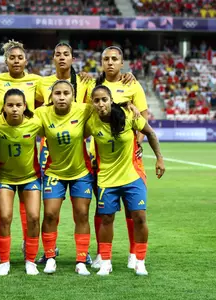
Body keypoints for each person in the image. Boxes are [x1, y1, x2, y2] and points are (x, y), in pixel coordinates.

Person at [34, 43, 136, 264]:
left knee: (84, 212)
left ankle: (86, 254)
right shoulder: (41, 83)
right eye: (58, 54)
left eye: (66, 54)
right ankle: (49, 253)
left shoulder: (87, 82)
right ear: (52, 58)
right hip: (51, 151)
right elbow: (28, 108)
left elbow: (103, 101)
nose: (62, 58)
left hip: (82, 153)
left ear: (72, 58)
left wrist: (128, 102)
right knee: (50, 212)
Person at [84, 85, 165, 276]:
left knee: (139, 217)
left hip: (132, 175)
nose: (101, 103)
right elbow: (75, 139)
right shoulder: (91, 123)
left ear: (111, 100)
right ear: (92, 104)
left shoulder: (129, 115)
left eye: (104, 99)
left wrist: (160, 158)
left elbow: (150, 133)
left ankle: (140, 260)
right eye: (96, 100)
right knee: (106, 219)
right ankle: (105, 262)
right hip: (106, 178)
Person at [91, 46, 150, 270]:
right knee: (103, 209)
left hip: (128, 158)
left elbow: (143, 117)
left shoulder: (131, 84)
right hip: (102, 158)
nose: (110, 62)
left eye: (115, 59)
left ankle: (135, 254)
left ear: (122, 63)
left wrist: (139, 145)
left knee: (133, 208)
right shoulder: (93, 86)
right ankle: (101, 254)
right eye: (106, 59)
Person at [0, 40, 43, 262]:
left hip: (27, 141)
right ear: (5, 60)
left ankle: (28, 245)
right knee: (1, 209)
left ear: (26, 60)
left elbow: (55, 97)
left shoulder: (36, 81)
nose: (16, 61)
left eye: (20, 58)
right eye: (12, 58)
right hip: (0, 141)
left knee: (30, 210)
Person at [35, 80, 95, 276]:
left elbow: (107, 104)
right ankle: (50, 257)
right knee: (50, 215)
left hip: (81, 173)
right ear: (51, 97)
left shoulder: (84, 109)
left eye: (66, 93)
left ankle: (81, 259)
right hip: (54, 172)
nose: (61, 97)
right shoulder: (42, 113)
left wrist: (129, 106)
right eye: (57, 93)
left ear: (73, 96)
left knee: (82, 214)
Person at [0, 89, 43, 276]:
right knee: (5, 217)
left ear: (24, 106)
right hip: (4, 177)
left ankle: (30, 261)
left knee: (34, 217)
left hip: (30, 177)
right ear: (3, 107)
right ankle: (4, 261)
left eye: (18, 105)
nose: (14, 109)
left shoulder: (35, 123)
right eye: (10, 105)